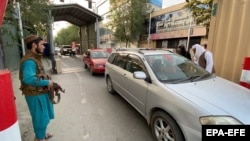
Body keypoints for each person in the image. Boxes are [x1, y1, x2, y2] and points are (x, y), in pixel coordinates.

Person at [19, 35, 54, 141]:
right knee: (40, 119)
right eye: (42, 44)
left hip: (40, 93)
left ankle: (41, 135)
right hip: (35, 95)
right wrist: (47, 82)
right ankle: (39, 138)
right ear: (34, 45)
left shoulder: (35, 58)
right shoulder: (29, 61)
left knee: (43, 117)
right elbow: (28, 79)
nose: (44, 47)